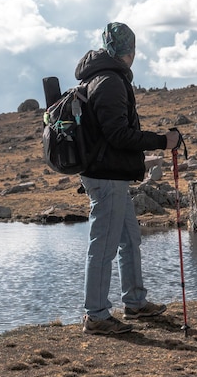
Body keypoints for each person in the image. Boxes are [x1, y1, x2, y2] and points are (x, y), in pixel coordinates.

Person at [75, 22, 180, 335]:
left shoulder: (101, 76)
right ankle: (96, 316)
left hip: (111, 175)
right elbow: (118, 135)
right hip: (105, 177)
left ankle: (134, 302)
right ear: (129, 52)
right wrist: (163, 141)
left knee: (129, 240)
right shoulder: (108, 81)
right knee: (103, 246)